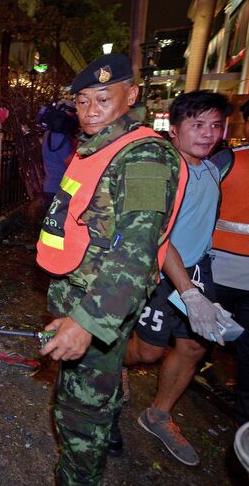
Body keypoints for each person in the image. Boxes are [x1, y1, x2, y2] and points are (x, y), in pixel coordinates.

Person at [35, 54, 187, 485]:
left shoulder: (144, 158)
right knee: (93, 395)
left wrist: (87, 323)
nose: (90, 110)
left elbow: (137, 250)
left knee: (81, 416)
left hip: (97, 304)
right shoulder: (100, 147)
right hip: (81, 294)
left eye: (103, 97)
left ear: (131, 95)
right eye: (82, 101)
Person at [119, 91, 233, 466]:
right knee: (148, 350)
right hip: (161, 271)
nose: (207, 133)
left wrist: (198, 286)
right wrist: (188, 292)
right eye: (197, 124)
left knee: (195, 347)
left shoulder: (213, 168)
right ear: (176, 127)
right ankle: (114, 363)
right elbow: (155, 235)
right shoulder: (156, 165)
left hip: (198, 268)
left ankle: (159, 415)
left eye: (215, 125)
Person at [210, 99, 249, 427]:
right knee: (193, 345)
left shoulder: (228, 160)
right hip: (217, 271)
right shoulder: (228, 161)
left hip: (220, 270)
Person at [39, 100, 78, 209]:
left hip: (50, 186)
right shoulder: (61, 136)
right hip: (60, 188)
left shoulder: (48, 133)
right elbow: (68, 161)